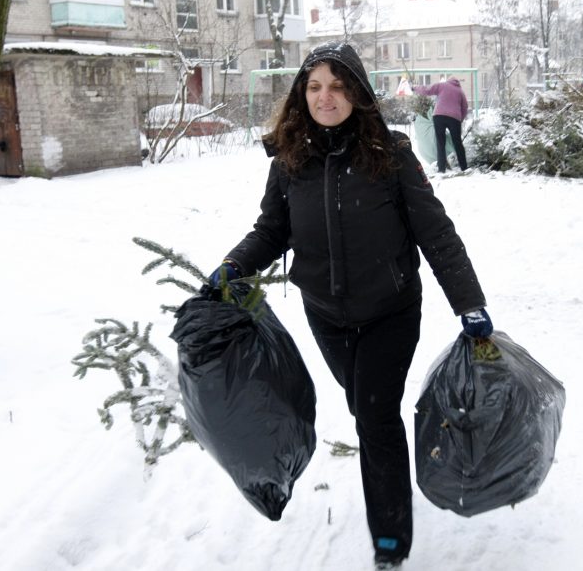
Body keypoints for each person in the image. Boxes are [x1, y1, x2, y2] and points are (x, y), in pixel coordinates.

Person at [208, 42, 492, 570]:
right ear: (301, 96)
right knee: (365, 407)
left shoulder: (391, 152)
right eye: (314, 87)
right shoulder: (292, 159)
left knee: (376, 418)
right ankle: (390, 473)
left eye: (337, 86)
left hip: (392, 310)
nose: (325, 97)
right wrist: (232, 266)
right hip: (326, 315)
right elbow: (273, 230)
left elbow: (436, 233)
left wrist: (468, 303)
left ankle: (390, 542)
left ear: (356, 92)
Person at [412, 76, 469, 172]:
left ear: (449, 81)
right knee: (457, 143)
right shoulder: (460, 92)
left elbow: (427, 90)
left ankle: (441, 168)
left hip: (439, 116)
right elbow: (465, 108)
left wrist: (414, 88)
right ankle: (464, 167)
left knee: (440, 143)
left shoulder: (442, 85)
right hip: (454, 118)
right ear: (457, 83)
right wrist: (460, 120)